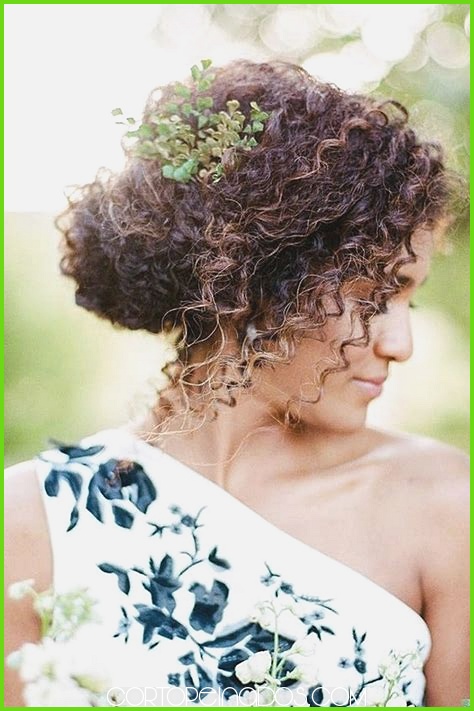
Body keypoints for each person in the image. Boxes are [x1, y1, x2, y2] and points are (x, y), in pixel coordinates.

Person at [5, 60, 469, 707]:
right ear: (254, 278)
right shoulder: (29, 521)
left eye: (408, 303)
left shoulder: (446, 506)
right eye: (375, 294)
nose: (401, 344)